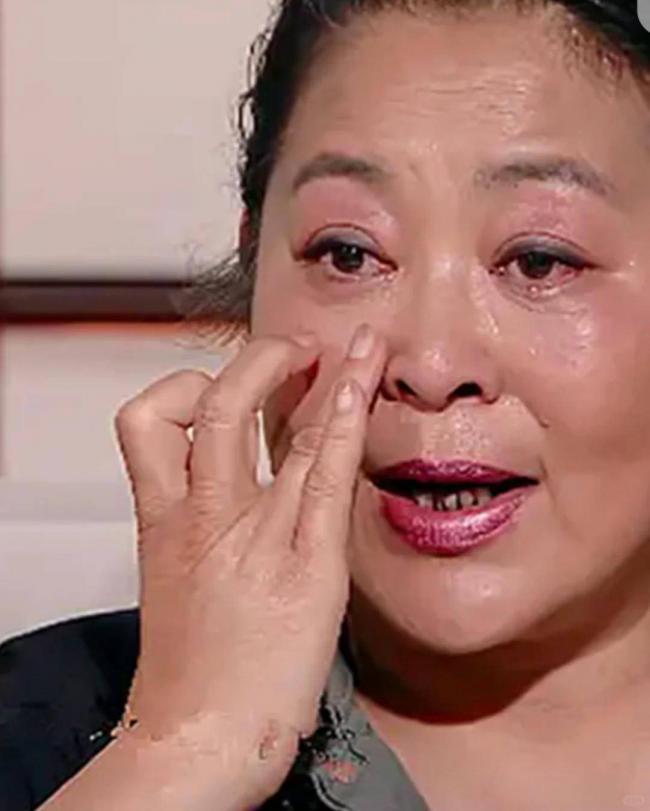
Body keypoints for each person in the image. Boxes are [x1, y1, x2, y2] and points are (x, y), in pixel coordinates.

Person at [2, 0, 650, 808]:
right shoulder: (38, 736)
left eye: (541, 261)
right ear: (254, 267)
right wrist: (183, 752)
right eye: (348, 254)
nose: (432, 365)